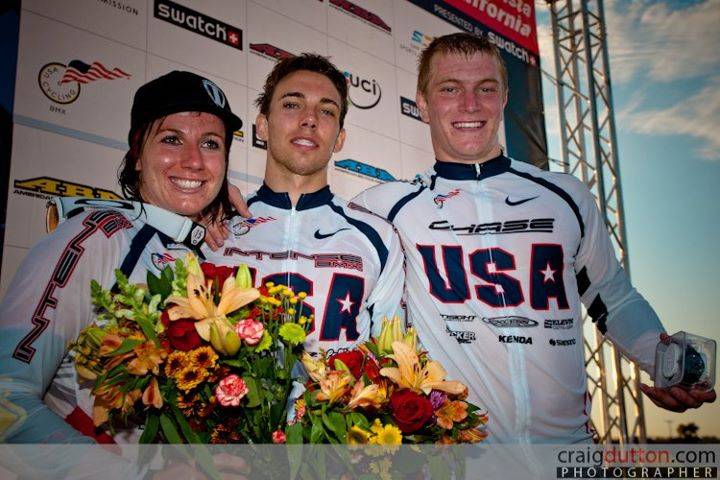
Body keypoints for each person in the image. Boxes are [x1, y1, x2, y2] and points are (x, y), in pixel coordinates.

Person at [349, 33, 715, 442]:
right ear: (422, 103)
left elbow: (612, 295)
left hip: (568, 451)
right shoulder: (384, 207)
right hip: (457, 459)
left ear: (504, 97)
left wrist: (664, 364)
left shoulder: (564, 196)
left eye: (485, 88)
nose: (470, 104)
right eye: (450, 89)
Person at [0, 70, 242, 443]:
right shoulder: (97, 236)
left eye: (211, 144)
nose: (194, 161)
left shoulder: (209, 259)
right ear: (138, 154)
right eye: (171, 139)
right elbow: (7, 399)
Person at [204, 54, 404, 354]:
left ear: (339, 138)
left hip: (335, 401)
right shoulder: (212, 223)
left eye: (326, 111)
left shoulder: (379, 237)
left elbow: (391, 359)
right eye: (292, 104)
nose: (309, 119)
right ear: (262, 126)